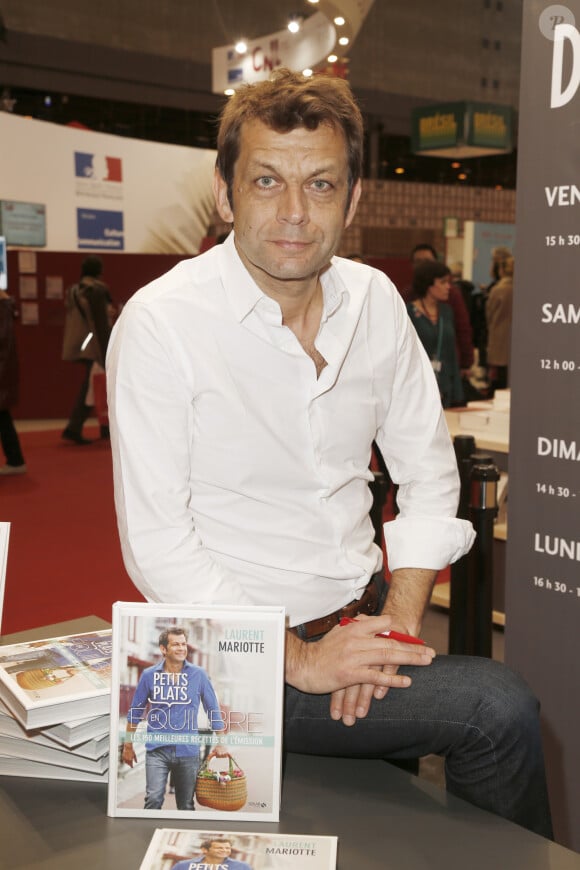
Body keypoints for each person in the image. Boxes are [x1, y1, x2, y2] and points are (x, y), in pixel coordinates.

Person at [107, 69, 552, 838]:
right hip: (232, 657)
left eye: (319, 185)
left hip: (365, 621)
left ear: (351, 200)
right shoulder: (162, 323)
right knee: (497, 708)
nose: (292, 213)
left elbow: (428, 475)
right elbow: (158, 547)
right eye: (266, 181)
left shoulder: (375, 301)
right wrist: (303, 662)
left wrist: (397, 629)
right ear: (225, 193)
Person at [122, 626, 227, 811]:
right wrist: (128, 745)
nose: (181, 648)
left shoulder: (199, 675)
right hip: (157, 750)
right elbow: (135, 711)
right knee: (153, 799)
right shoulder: (149, 676)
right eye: (176, 644)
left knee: (186, 805)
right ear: (163, 649)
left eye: (184, 644)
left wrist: (221, 742)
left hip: (188, 751)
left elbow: (213, 709)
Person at [61, 255, 114, 444]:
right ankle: (75, 427)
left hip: (81, 344)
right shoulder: (97, 291)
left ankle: (101, 427)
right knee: (95, 387)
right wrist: (107, 351)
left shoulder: (74, 290)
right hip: (95, 346)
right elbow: (100, 324)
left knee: (94, 386)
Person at [410, 243, 474, 376]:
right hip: (418, 372)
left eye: (426, 261)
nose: (447, 287)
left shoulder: (449, 304)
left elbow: (463, 329)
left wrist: (466, 363)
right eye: (417, 261)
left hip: (447, 371)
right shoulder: (407, 302)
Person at [407, 260, 464, 408]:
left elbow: (452, 353)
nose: (448, 287)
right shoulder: (409, 313)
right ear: (428, 284)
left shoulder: (446, 312)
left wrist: (458, 391)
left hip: (445, 384)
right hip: (418, 387)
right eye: (443, 282)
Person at [0, 288, 26, 474]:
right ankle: (16, 460)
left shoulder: (2, 309)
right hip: (3, 370)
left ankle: (16, 460)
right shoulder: (6, 307)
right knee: (3, 417)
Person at [486, 253, 514, 394]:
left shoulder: (497, 290)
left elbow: (489, 314)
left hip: (498, 340)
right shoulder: (521, 289)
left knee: (497, 385)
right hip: (514, 342)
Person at [171, 838, 252, 870]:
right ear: (204, 850)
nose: (224, 850)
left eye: (227, 848)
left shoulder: (243, 867)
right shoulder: (182, 866)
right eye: (219, 848)